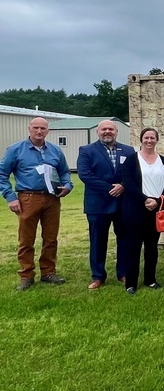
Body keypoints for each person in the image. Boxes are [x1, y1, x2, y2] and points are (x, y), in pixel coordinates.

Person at [0, 117, 73, 290]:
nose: (39, 131)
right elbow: (2, 174)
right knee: (26, 239)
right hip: (28, 198)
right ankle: (26, 275)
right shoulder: (16, 150)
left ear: (48, 131)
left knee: (50, 238)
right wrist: (10, 197)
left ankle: (48, 272)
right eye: (36, 128)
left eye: (43, 128)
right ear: (29, 129)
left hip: (52, 199)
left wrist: (68, 186)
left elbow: (64, 172)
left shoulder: (55, 150)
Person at [77, 119, 134, 289]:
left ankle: (123, 273)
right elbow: (85, 175)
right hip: (98, 203)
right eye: (104, 129)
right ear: (97, 132)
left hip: (123, 203)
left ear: (116, 131)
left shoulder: (128, 150)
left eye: (111, 129)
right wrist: (110, 188)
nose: (107, 132)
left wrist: (123, 186)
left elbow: (133, 173)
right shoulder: (87, 150)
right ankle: (98, 276)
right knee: (97, 241)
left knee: (124, 239)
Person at [120, 127, 164, 295]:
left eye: (152, 138)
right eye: (146, 137)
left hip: (156, 210)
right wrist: (145, 199)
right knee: (133, 247)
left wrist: (157, 201)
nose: (149, 140)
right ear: (141, 139)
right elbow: (128, 183)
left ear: (157, 140)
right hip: (136, 208)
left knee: (152, 247)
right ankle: (131, 283)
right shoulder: (131, 160)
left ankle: (150, 279)